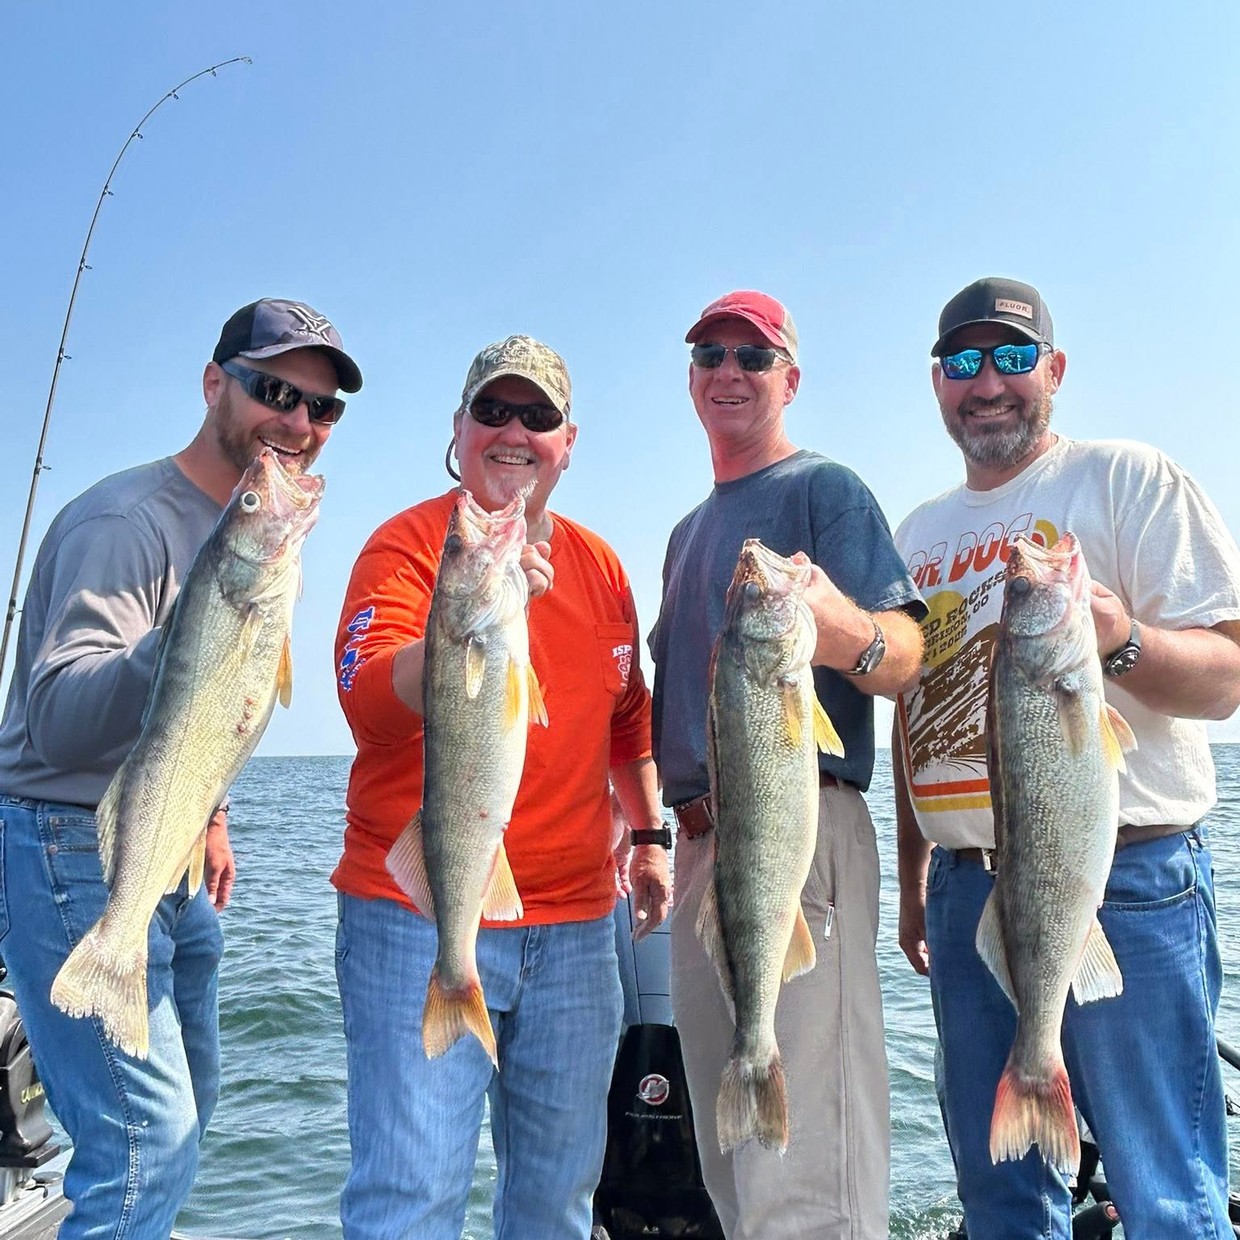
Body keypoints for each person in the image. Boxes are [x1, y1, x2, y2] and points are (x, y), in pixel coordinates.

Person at [0, 297, 360, 1238]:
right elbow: (57, 722)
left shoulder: (249, 533)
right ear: (214, 385)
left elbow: (217, 717)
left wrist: (213, 815)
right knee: (142, 1146)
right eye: (277, 391)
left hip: (173, 855)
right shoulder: (124, 523)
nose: (300, 424)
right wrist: (183, 640)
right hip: (68, 842)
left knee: (190, 1115)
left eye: (323, 410)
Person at [893, 275, 1240, 1239]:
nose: (987, 382)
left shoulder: (1128, 478)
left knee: (1165, 1185)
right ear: (938, 385)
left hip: (1126, 877)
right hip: (968, 890)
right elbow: (912, 714)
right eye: (963, 363)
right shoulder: (916, 536)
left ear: (1054, 369)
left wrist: (1120, 638)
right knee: (1000, 1195)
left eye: (1011, 357)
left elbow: (1226, 677)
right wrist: (913, 875)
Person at [331, 334, 671, 1240]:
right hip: (419, 914)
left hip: (576, 932)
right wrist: (466, 616)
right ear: (459, 428)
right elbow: (367, 697)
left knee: (557, 1203)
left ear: (567, 442)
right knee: (411, 1198)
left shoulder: (601, 568)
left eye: (537, 416)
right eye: (493, 410)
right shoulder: (406, 549)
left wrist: (647, 836)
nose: (513, 430)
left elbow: (628, 717)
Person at [649, 290, 926, 1240]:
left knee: (808, 1176)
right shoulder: (687, 536)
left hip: (799, 830)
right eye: (710, 354)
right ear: (691, 377)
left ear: (789, 380)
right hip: (699, 853)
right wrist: (650, 834)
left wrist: (831, 624)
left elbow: (905, 657)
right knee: (736, 1164)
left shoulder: (827, 491)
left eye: (753, 358)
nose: (728, 371)